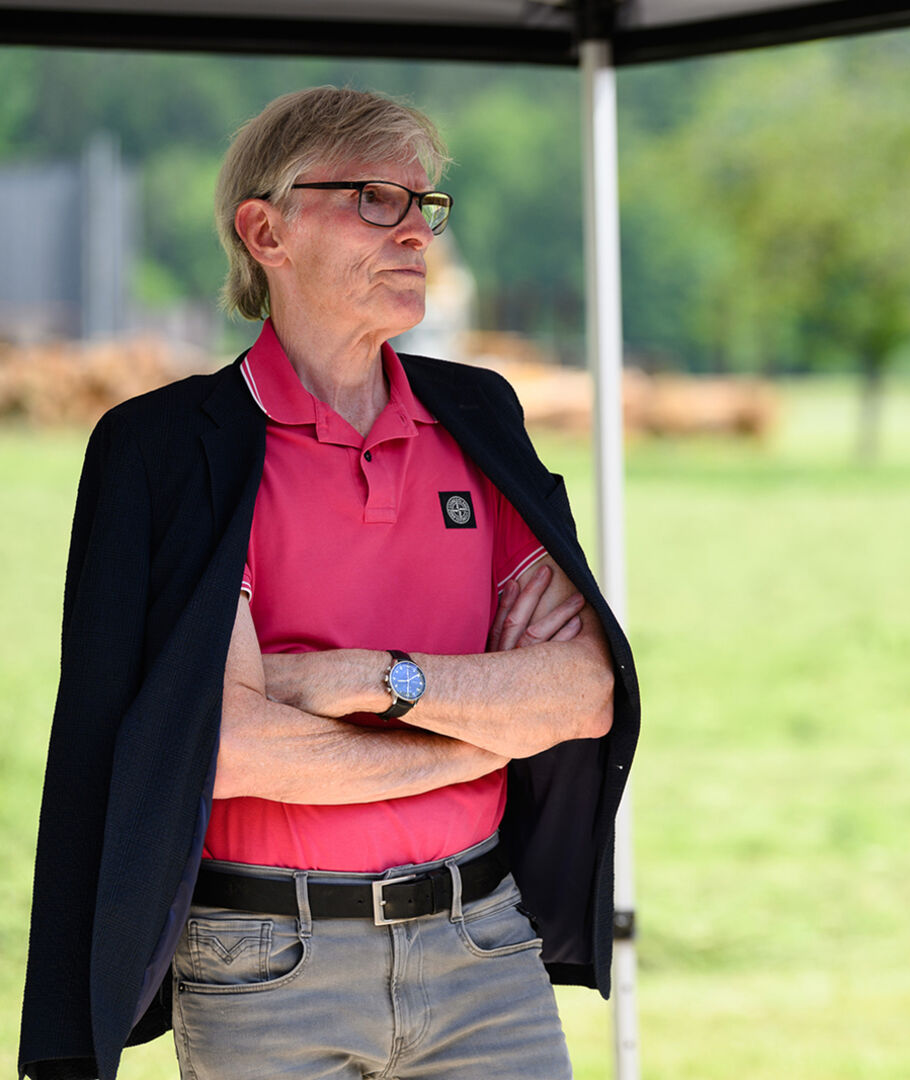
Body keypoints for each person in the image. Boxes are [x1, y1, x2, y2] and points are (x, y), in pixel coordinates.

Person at [20, 87, 638, 1080]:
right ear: (264, 231)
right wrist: (482, 742)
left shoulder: (478, 416)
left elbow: (584, 692)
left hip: (484, 947)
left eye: (423, 206)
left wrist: (374, 679)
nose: (414, 234)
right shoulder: (171, 452)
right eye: (372, 200)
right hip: (263, 965)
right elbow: (221, 748)